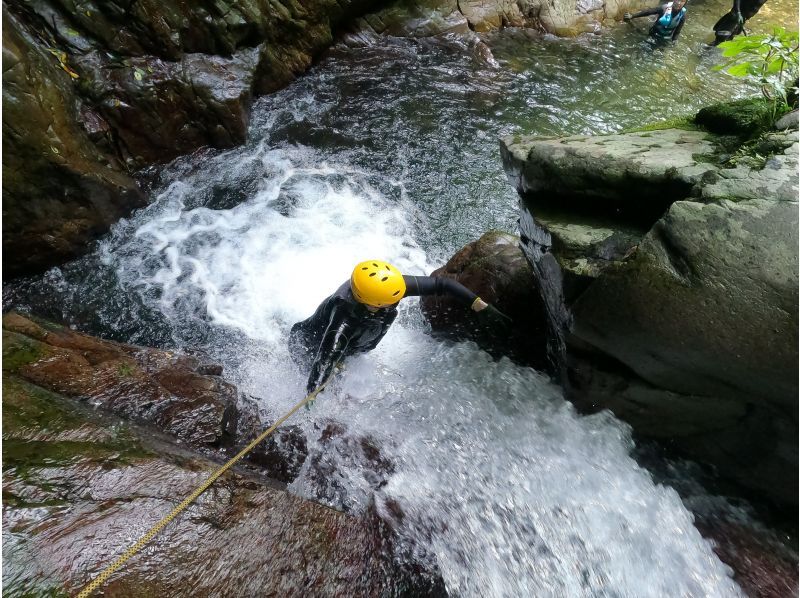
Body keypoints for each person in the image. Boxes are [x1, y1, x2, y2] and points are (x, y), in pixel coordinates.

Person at [289, 260, 508, 394]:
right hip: (309, 345)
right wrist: (313, 396)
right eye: (390, 301)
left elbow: (443, 284)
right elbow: (326, 357)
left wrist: (478, 305)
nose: (396, 300)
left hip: (345, 348)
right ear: (371, 303)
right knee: (333, 387)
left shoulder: (385, 287)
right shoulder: (344, 320)